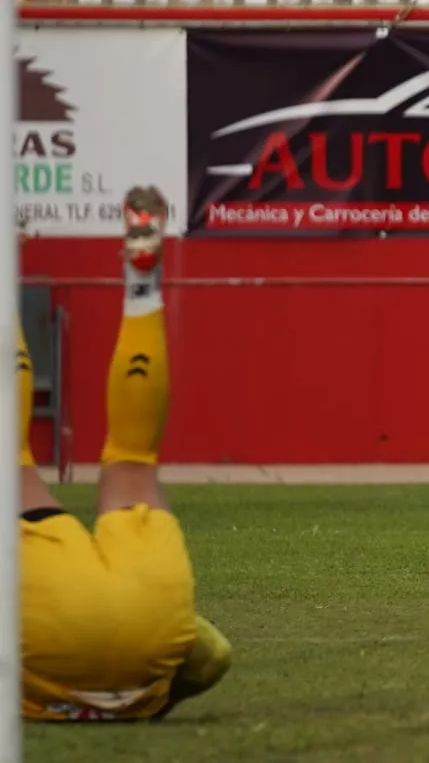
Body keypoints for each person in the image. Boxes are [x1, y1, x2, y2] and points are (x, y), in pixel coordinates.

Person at [20, 186, 233, 721]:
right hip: (128, 621)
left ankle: (141, 283)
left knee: (125, 459)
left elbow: (212, 656)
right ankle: (142, 287)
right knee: (125, 454)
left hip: (148, 631)